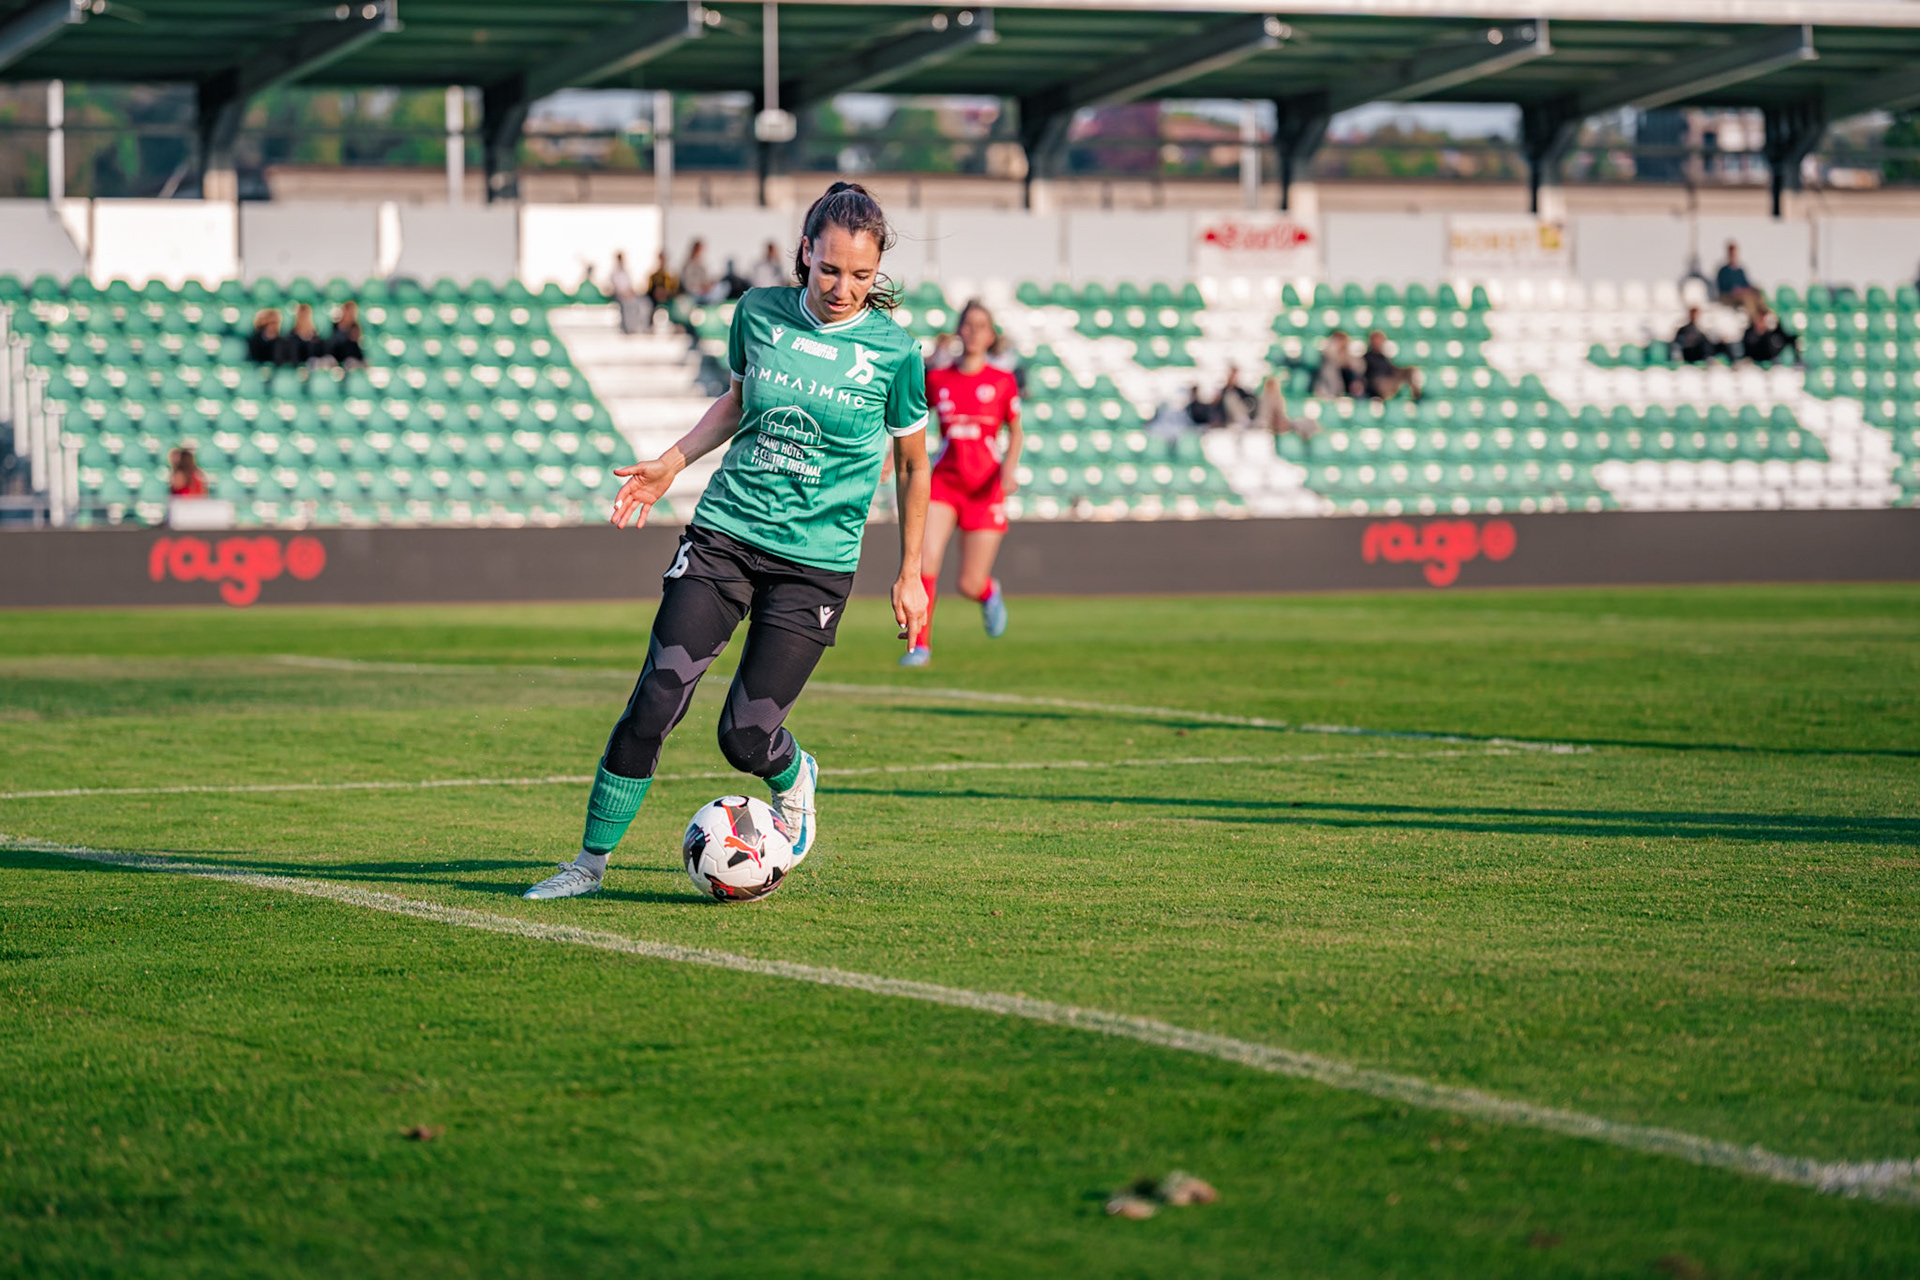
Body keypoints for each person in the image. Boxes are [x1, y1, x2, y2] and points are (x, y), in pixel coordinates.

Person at [522, 181, 932, 901]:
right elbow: (737, 402)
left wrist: (912, 573)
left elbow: (912, 463)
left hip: (815, 567)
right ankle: (587, 865)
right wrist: (671, 463)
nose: (843, 287)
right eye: (830, 268)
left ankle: (794, 774)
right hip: (725, 537)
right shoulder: (759, 314)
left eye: (861, 275)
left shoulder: (894, 353)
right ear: (805, 252)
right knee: (654, 699)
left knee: (743, 738)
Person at [900, 300, 1023, 668]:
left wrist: (1009, 470)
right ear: (959, 330)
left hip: (985, 489)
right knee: (925, 562)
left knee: (969, 583)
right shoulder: (939, 379)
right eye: (967, 325)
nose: (973, 332)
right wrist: (896, 459)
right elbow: (911, 426)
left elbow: (1015, 432)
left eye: (981, 326)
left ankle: (987, 594)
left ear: (991, 335)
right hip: (944, 485)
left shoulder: (1002, 381)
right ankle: (920, 645)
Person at [1361, 330, 1420, 401]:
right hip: (1378, 384)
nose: (1378, 343)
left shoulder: (1384, 357)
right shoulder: (1366, 357)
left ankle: (1417, 397)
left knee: (1410, 370)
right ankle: (1389, 403)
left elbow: (1392, 369)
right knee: (1381, 383)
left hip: (1390, 380)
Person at [1312, 329, 1361, 398]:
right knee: (1329, 369)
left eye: (1343, 340)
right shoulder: (1327, 354)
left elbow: (1360, 366)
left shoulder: (1348, 354)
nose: (1341, 343)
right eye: (1339, 340)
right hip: (1327, 387)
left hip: (1347, 382)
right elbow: (1331, 358)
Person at [1716, 240, 1761, 316]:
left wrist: (1749, 290)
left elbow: (1746, 284)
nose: (1733, 255)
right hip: (1728, 296)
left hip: (1741, 293)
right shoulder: (1723, 271)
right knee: (1747, 298)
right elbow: (1723, 286)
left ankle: (1764, 314)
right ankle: (1753, 319)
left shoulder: (1740, 271)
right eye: (1731, 253)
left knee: (1757, 293)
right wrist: (1736, 291)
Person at [609, 251, 642, 334]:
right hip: (619, 296)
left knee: (637, 304)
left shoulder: (626, 272)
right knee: (625, 305)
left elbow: (629, 285)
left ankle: (634, 326)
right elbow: (616, 287)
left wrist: (630, 292)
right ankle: (626, 328)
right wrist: (624, 294)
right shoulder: (614, 273)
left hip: (628, 295)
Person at [1214, 365, 1257, 429]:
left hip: (1240, 417)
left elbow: (1249, 398)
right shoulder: (1224, 391)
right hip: (1227, 418)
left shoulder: (1239, 391)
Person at [680, 238, 718, 304]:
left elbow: (708, 278)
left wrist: (709, 285)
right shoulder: (688, 265)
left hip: (706, 292)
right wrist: (701, 286)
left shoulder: (703, 263)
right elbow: (688, 284)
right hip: (695, 293)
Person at [327, 300, 364, 365]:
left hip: (350, 357)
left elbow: (354, 347)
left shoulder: (355, 327)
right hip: (336, 355)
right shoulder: (335, 326)